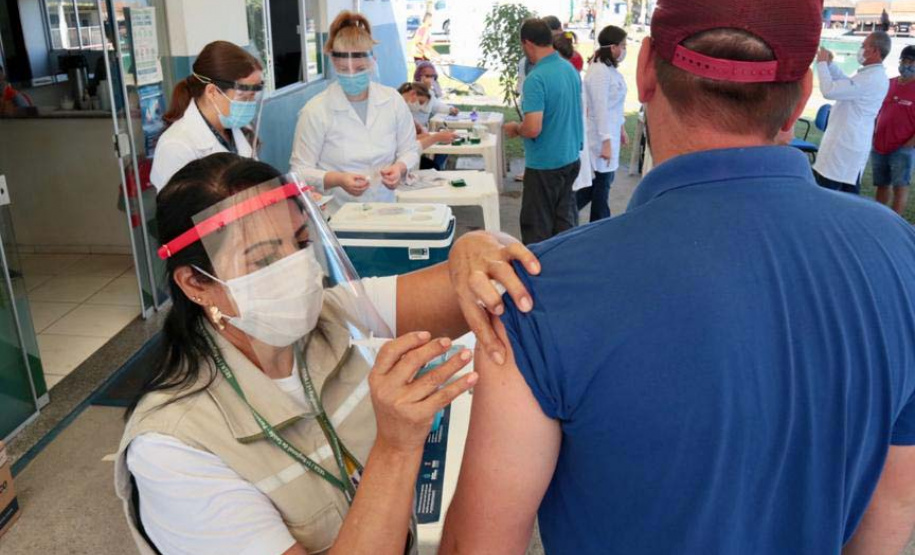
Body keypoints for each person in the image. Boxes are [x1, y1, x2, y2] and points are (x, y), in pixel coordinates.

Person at [441, 0, 915, 553]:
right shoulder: (897, 254)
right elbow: (895, 501)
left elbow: (478, 545)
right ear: (800, 99)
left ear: (644, 73)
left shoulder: (539, 291)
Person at [116, 152, 541, 555]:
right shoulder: (174, 449)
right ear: (195, 283)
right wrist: (396, 447)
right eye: (262, 259)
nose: (296, 270)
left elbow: (483, 285)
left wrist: (478, 245)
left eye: (299, 243)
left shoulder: (334, 313)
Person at [291, 11, 420, 213]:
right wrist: (338, 179)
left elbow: (410, 149)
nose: (352, 75)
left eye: (359, 68)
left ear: (373, 61)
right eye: (344, 69)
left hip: (385, 210)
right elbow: (299, 171)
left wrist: (399, 168)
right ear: (334, 63)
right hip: (338, 215)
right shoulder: (315, 111)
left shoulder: (392, 101)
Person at [504, 18, 583, 245]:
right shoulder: (570, 68)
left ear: (527, 43)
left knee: (536, 228)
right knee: (565, 225)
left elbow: (532, 127)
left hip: (545, 164)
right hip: (570, 156)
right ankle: (564, 271)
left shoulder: (535, 78)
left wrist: (515, 128)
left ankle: (537, 276)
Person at [151, 41, 263, 191]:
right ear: (212, 92)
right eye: (244, 98)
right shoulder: (176, 146)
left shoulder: (236, 128)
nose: (250, 104)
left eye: (253, 97)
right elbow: (178, 211)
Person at [813, 32, 891, 194]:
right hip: (848, 144)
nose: (860, 49)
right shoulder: (869, 75)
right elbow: (845, 83)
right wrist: (830, 64)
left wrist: (821, 64)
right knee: (844, 196)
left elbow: (829, 91)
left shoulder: (871, 78)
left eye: (864, 45)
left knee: (828, 196)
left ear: (875, 51)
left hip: (845, 146)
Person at [577, 25, 628, 223]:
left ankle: (566, 215)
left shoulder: (610, 69)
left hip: (611, 133)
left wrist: (622, 128)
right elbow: (599, 109)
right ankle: (599, 223)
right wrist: (606, 141)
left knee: (597, 185)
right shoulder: (598, 71)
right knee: (601, 186)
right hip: (600, 136)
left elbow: (615, 105)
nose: (624, 50)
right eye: (623, 45)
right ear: (613, 47)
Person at [871, 45, 915, 215]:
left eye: (911, 61)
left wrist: (908, 146)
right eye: (904, 60)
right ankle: (879, 216)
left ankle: (895, 222)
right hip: (880, 144)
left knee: (900, 187)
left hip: (902, 148)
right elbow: (876, 110)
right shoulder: (888, 83)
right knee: (881, 184)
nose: (907, 64)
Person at [397, 82, 457, 151]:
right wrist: (434, 137)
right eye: (420, 101)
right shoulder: (396, 106)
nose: (421, 106)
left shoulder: (403, 107)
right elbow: (400, 140)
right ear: (413, 93)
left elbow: (437, 106)